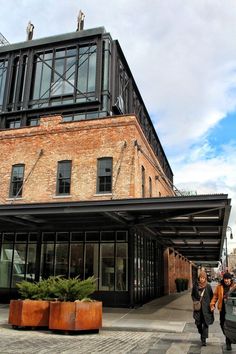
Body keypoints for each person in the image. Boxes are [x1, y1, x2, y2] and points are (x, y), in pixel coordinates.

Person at [210, 272, 236, 351]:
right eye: (225, 279)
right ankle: (228, 338)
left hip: (232, 310)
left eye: (228, 279)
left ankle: (228, 342)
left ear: (230, 279)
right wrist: (212, 304)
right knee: (222, 324)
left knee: (231, 325)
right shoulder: (219, 286)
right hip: (223, 309)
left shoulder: (234, 286)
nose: (226, 280)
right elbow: (215, 296)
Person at [191, 270, 214, 346]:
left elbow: (212, 297)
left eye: (203, 278)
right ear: (199, 278)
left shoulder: (208, 286)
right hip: (198, 309)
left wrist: (211, 305)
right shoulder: (195, 286)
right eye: (201, 277)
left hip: (206, 308)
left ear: (205, 278)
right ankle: (201, 333)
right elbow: (192, 295)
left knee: (205, 323)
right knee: (198, 323)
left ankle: (203, 339)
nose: (202, 279)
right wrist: (195, 301)